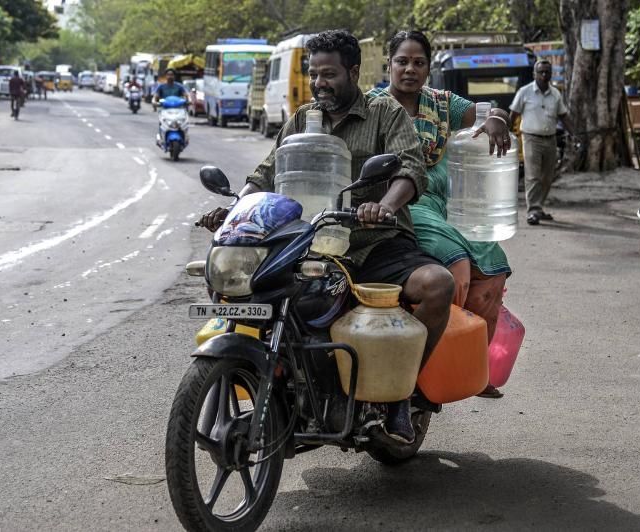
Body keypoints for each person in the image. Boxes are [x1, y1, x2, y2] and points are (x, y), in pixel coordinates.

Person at [199, 30, 455, 443]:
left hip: (372, 241)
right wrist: (233, 210)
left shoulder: (384, 112)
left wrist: (385, 206)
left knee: (437, 284)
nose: (320, 83)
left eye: (329, 75)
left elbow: (411, 168)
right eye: (314, 74)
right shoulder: (302, 119)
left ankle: (400, 397)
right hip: (304, 242)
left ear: (353, 71)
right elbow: (266, 173)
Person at [367, 30, 512, 398]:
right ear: (389, 65)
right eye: (402, 61)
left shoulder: (442, 104)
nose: (410, 69)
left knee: (494, 267)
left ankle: (471, 363)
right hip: (399, 201)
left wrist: (496, 117)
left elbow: (486, 110)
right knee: (457, 269)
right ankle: (431, 367)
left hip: (442, 202)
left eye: (418, 63)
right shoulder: (371, 106)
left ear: (429, 68)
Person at [510, 59, 574, 225]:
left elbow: (564, 116)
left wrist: (574, 133)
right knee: (533, 175)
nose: (544, 75)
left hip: (551, 139)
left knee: (547, 176)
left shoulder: (555, 94)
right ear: (535, 74)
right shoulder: (525, 92)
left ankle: (539, 207)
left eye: (547, 72)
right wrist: (507, 134)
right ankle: (533, 211)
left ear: (551, 74)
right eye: (541, 72)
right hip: (531, 138)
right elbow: (513, 115)